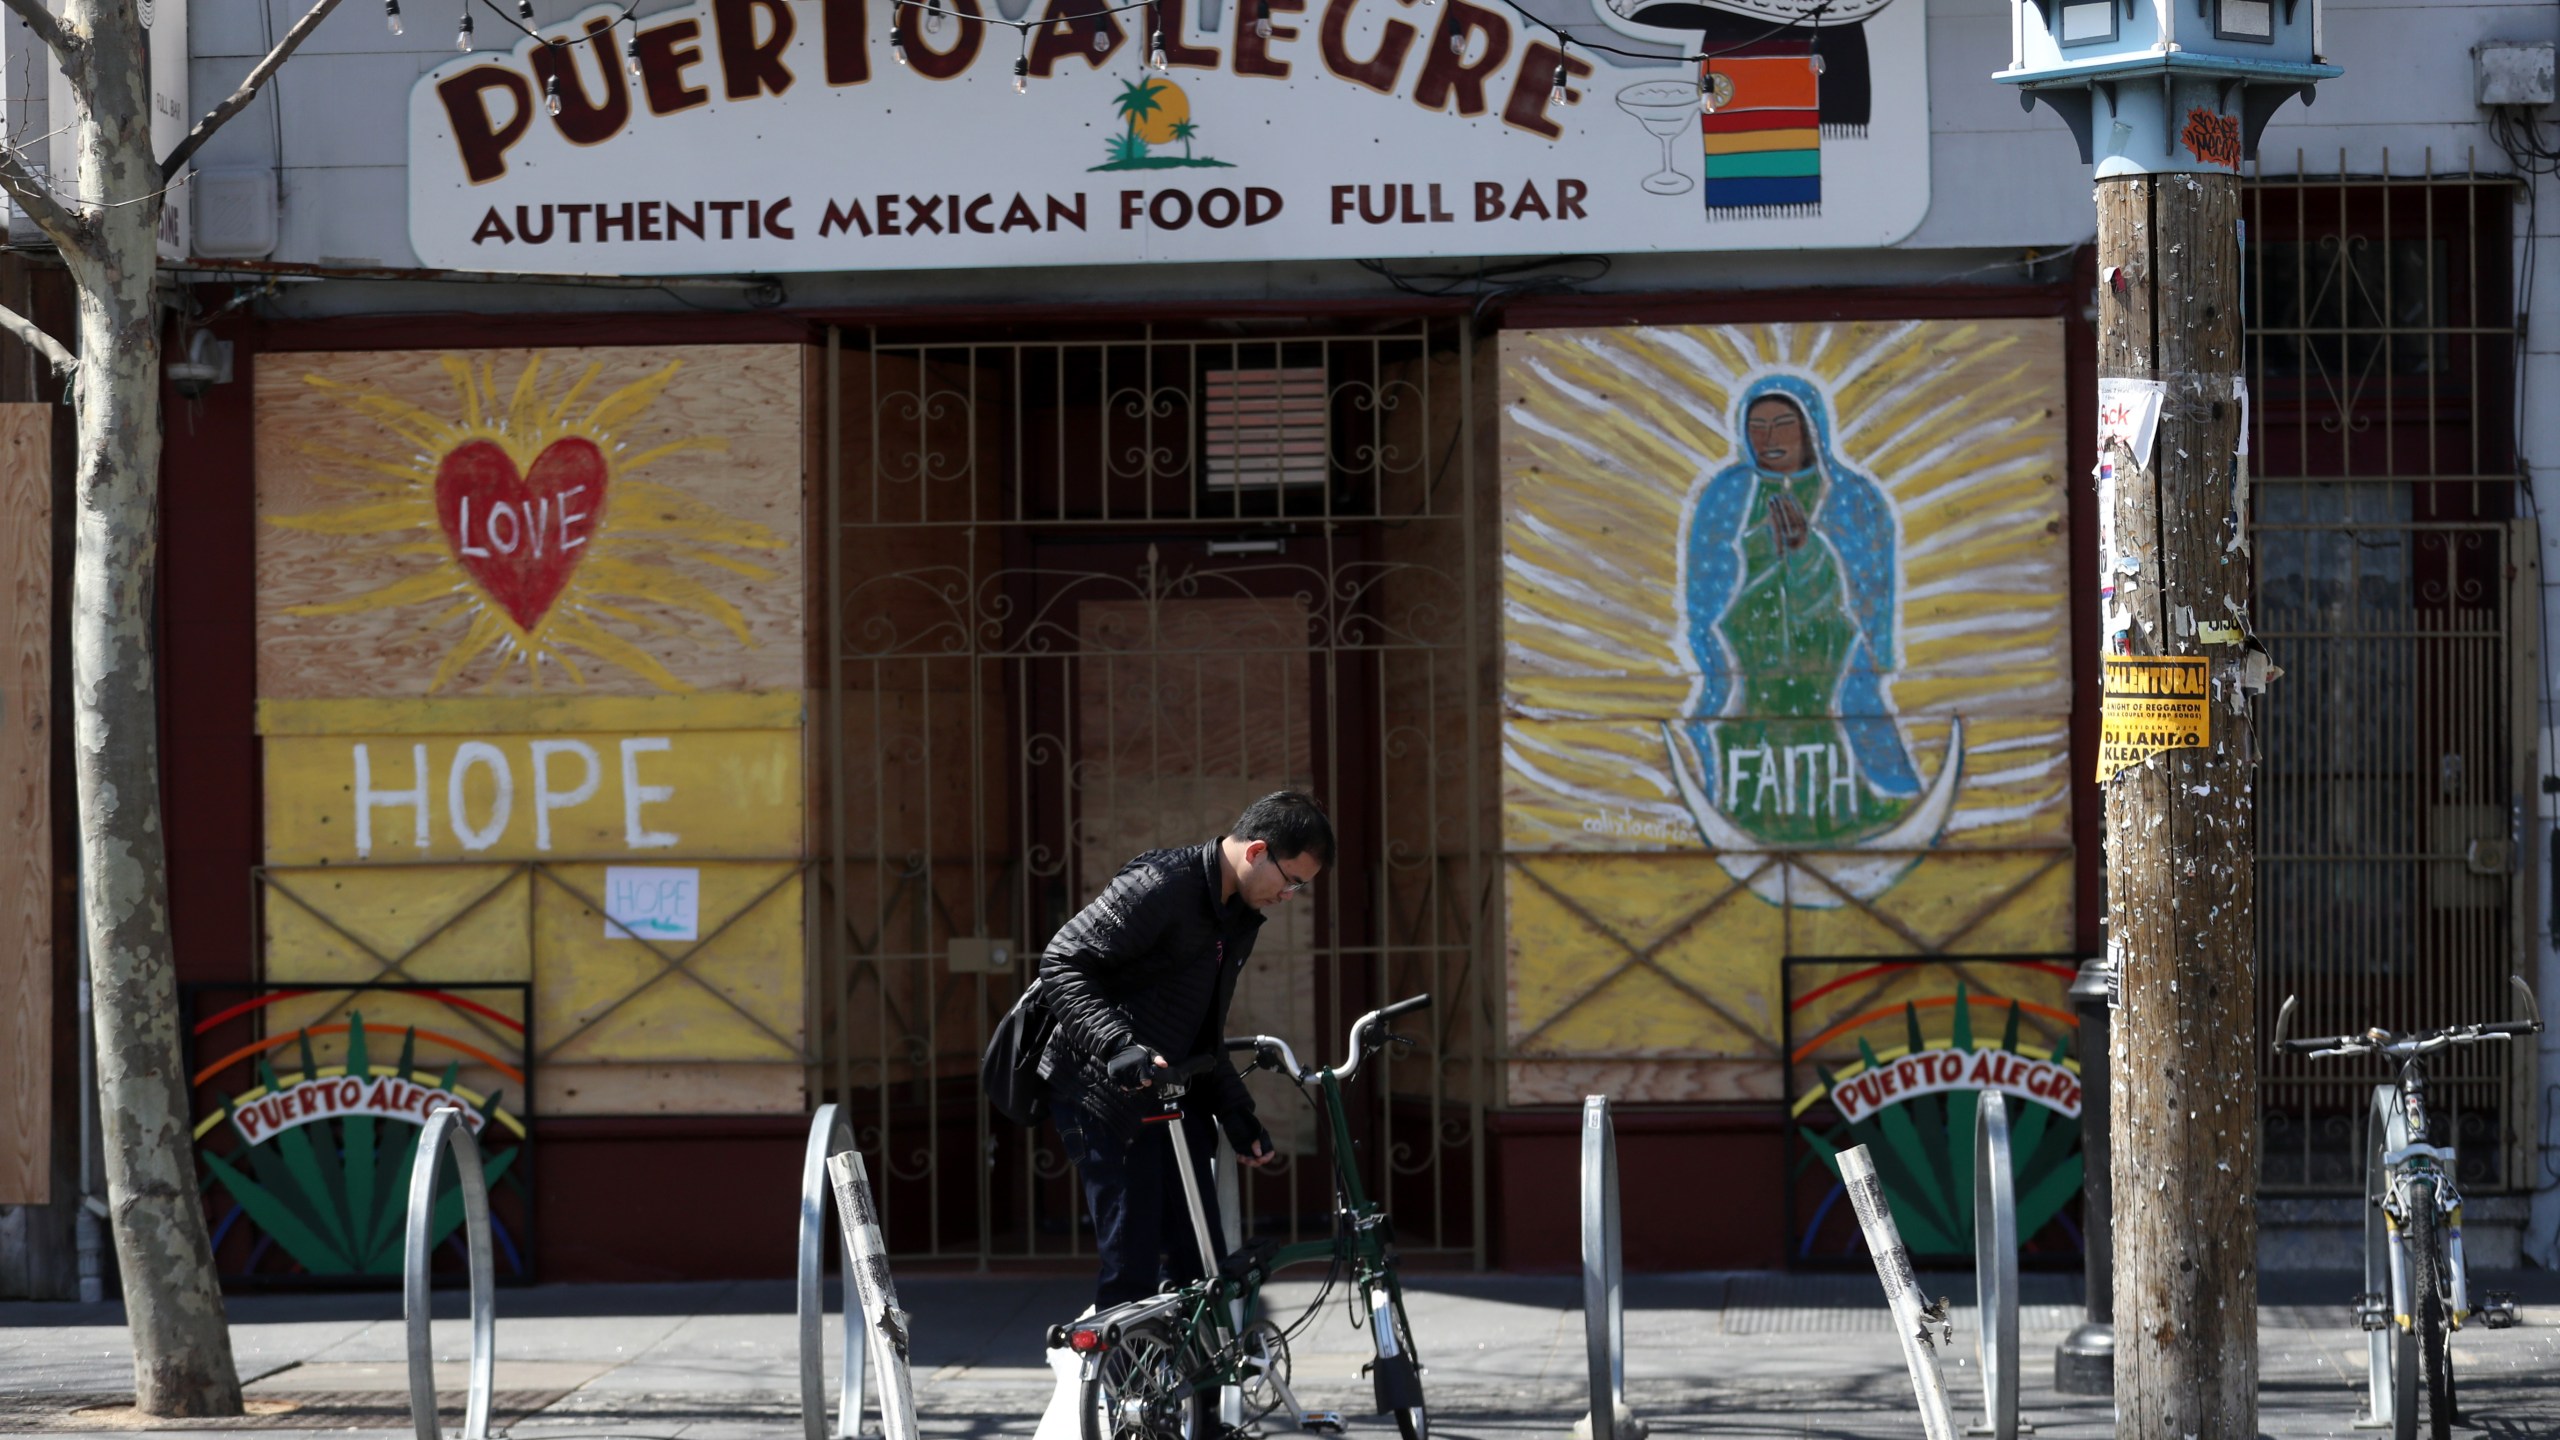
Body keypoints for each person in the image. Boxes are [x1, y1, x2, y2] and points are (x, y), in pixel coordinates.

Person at [1037, 790, 1333, 1310]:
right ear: (1258, 851)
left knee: (1202, 1267)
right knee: (1132, 1268)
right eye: (1292, 882)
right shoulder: (1162, 885)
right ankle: (1119, 1389)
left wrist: (1235, 1111)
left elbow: (1202, 1030)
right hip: (1106, 1098)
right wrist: (1116, 1044)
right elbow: (1061, 960)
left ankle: (1197, 1393)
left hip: (1174, 1097)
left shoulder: (1237, 917)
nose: (1289, 897)